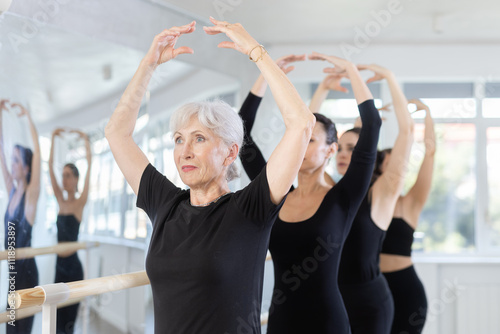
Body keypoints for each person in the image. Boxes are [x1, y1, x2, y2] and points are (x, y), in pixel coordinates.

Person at [104, 18, 315, 334]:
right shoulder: (165, 204)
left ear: (230, 153)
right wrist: (149, 65)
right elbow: (116, 133)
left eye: (199, 138)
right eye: (178, 139)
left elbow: (301, 124)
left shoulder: (250, 208)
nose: (184, 151)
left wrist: (256, 53)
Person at [239, 52, 381, 333]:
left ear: (331, 149)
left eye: (311, 139)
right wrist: (266, 74)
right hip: (281, 321)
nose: (301, 145)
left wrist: (351, 70)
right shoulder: (275, 193)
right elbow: (241, 131)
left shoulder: (344, 197)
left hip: (328, 323)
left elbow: (372, 125)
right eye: (299, 137)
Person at [330, 64, 414, 334]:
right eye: (339, 148)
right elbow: (310, 136)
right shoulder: (331, 190)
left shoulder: (382, 192)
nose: (343, 154)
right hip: (332, 298)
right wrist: (321, 90)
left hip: (369, 303)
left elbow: (407, 133)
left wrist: (390, 77)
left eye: (352, 148)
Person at [380, 99, 435, 334]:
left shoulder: (410, 203)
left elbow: (430, 153)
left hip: (406, 290)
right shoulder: (368, 203)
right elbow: (357, 156)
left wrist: (428, 115)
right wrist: (366, 121)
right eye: (391, 164)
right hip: (374, 288)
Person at [0, 100, 41, 334]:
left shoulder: (30, 197)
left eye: (17, 160)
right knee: (9, 329)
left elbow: (38, 157)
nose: (12, 164)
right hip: (12, 273)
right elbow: (0, 152)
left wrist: (28, 118)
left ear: (26, 168)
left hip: (25, 274)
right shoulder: (12, 190)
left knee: (19, 330)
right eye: (12, 160)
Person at [49, 128, 92, 334]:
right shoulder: (60, 201)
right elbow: (49, 167)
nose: (64, 180)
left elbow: (91, 165)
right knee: (56, 319)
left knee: (68, 323)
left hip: (73, 269)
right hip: (60, 267)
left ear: (75, 179)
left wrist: (84, 138)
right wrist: (53, 138)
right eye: (63, 175)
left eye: (67, 176)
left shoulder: (79, 203)